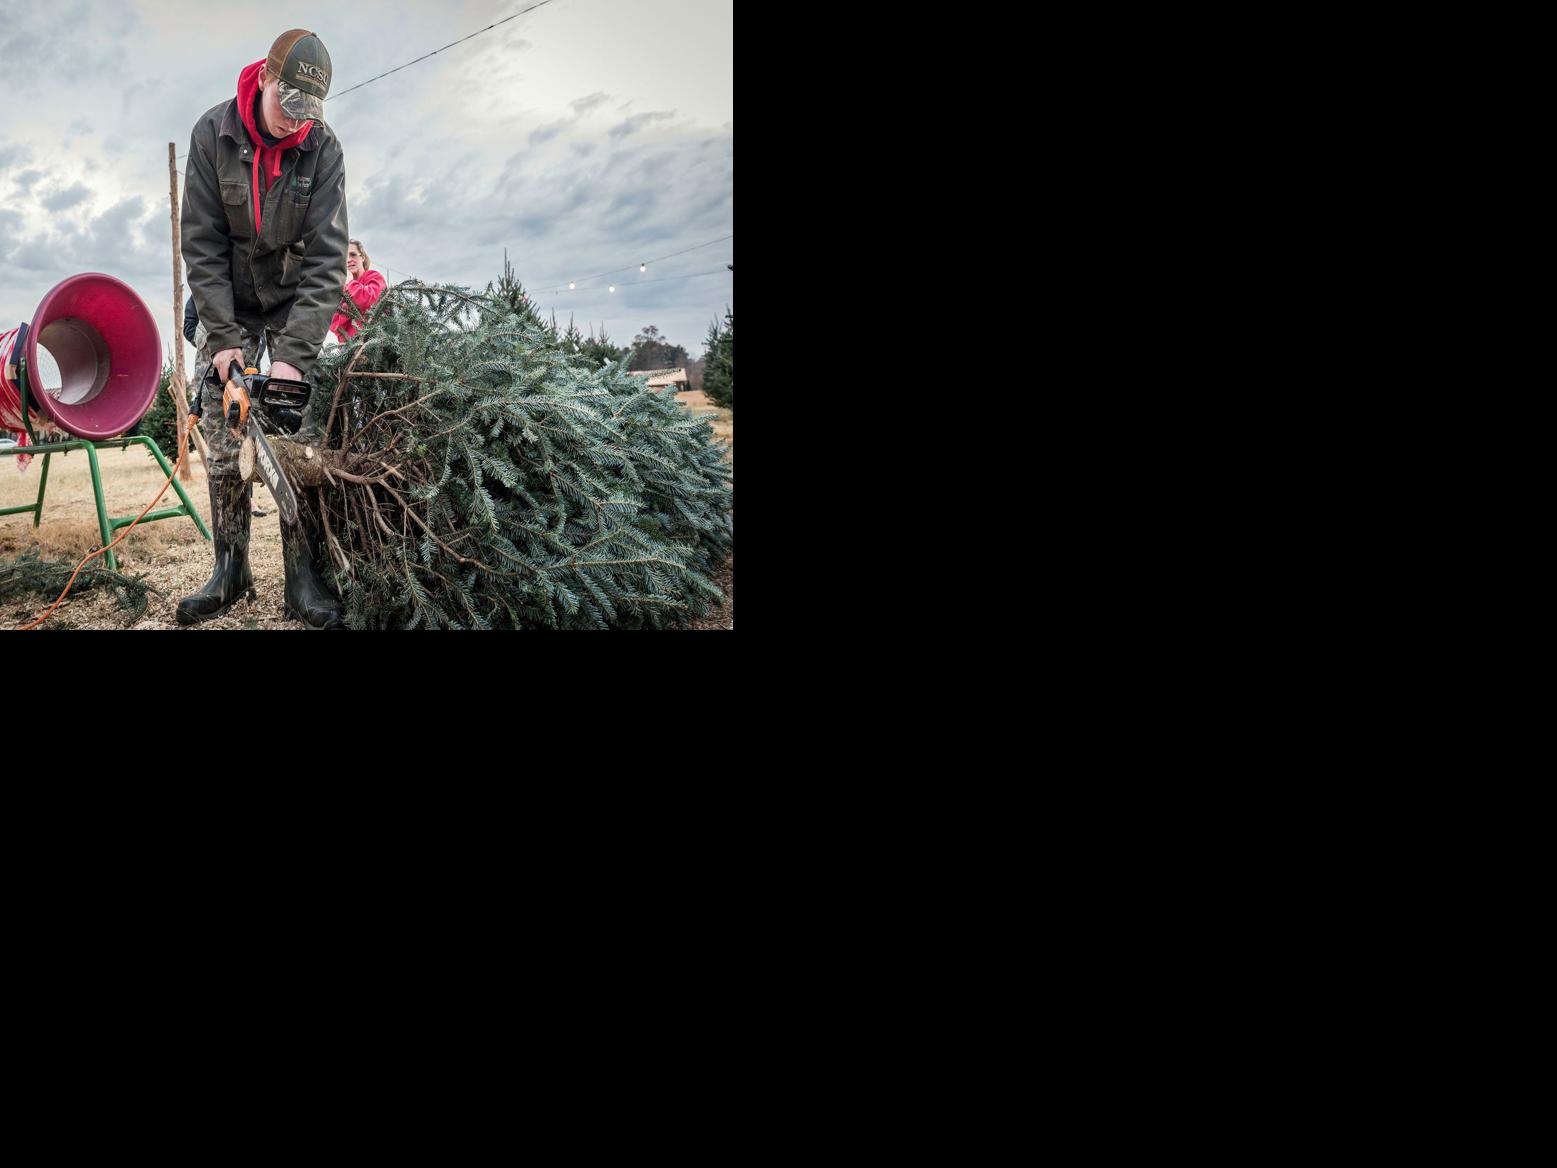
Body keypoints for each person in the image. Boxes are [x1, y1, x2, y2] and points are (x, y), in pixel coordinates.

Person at [178, 28, 348, 628]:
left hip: (291, 308)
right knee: (227, 443)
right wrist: (223, 345)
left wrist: (293, 358)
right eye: (288, 104)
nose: (295, 121)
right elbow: (200, 247)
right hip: (231, 307)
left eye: (308, 111)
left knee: (298, 441)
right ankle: (231, 568)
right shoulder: (212, 135)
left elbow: (328, 259)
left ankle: (302, 575)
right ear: (266, 79)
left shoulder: (321, 149)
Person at [331, 239, 387, 341]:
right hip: (349, 349)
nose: (348, 260)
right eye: (345, 257)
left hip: (373, 344)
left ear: (363, 257)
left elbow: (370, 299)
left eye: (353, 254)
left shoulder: (374, 276)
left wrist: (346, 305)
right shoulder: (341, 290)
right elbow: (334, 324)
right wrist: (356, 304)